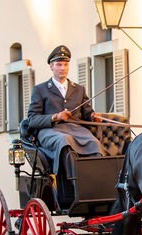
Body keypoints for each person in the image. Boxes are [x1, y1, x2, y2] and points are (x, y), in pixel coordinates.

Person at [28, 45, 105, 178]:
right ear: (51, 67)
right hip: (50, 131)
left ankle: (96, 181)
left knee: (94, 143)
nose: (62, 68)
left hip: (76, 130)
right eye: (58, 65)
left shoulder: (79, 89)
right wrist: (55, 117)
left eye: (65, 64)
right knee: (64, 141)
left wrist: (93, 117)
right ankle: (72, 183)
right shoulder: (40, 90)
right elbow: (33, 119)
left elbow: (87, 114)